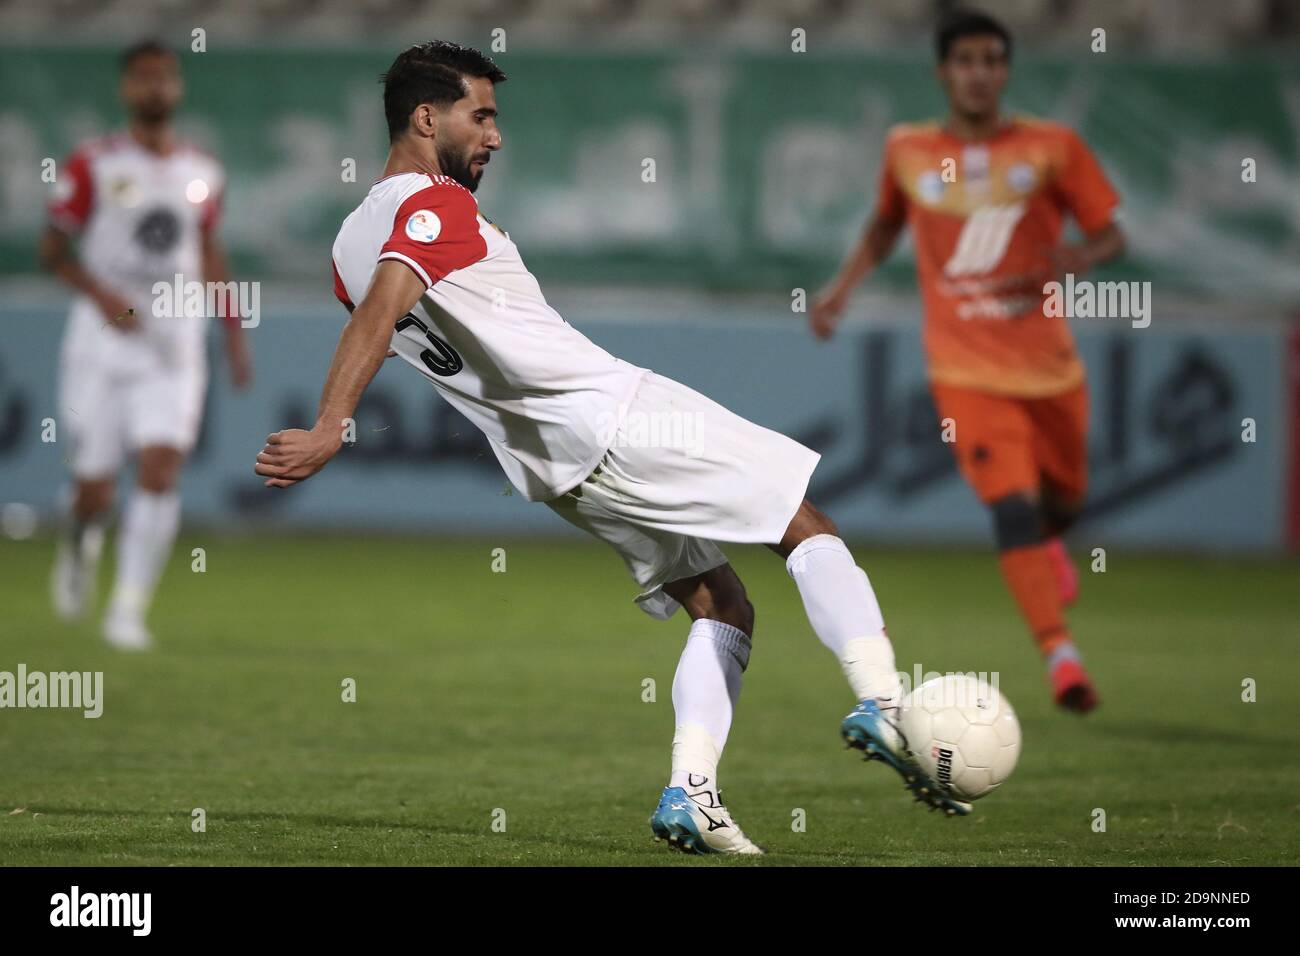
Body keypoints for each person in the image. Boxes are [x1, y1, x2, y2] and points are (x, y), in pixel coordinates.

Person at [255, 41, 970, 857]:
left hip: (559, 473)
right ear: (426, 118)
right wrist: (330, 426)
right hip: (618, 417)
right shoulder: (433, 207)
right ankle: (881, 699)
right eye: (480, 115)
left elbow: (371, 317)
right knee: (805, 524)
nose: (495, 136)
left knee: (722, 605)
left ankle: (692, 793)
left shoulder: (347, 247)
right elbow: (383, 313)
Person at [811, 9, 1125, 713]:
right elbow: (886, 223)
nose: (979, 74)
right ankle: (1060, 655)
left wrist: (1082, 254)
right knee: (1013, 513)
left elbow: (1111, 233)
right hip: (963, 370)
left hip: (1050, 369)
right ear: (943, 72)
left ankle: (1053, 548)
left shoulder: (1052, 146)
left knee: (1063, 505)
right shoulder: (909, 149)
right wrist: (839, 291)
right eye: (966, 61)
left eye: (992, 61)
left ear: (1005, 72)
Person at [43, 39, 252, 650]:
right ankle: (80, 537)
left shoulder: (204, 171)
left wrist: (234, 332)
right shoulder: (93, 165)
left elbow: (210, 252)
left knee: (161, 468)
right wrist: (103, 295)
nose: (155, 87)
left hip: (175, 337)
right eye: (143, 78)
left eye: (164, 77)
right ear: (125, 89)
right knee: (96, 488)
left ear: (177, 86)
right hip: (103, 339)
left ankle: (128, 610)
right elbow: (51, 251)